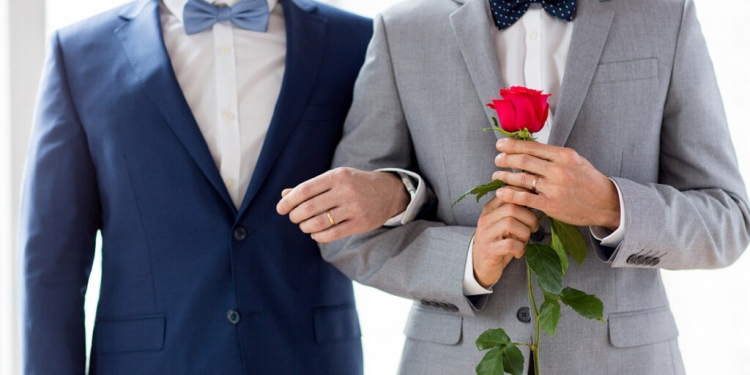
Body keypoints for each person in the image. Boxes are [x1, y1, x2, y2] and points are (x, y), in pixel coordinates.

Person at [277, 0, 750, 374]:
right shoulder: (403, 29)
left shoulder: (665, 15)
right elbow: (349, 233)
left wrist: (611, 204)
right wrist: (465, 261)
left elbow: (728, 218)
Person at [17, 0, 403, 373]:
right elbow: (53, 263)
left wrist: (395, 194)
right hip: (150, 363)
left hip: (307, 357)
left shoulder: (354, 40)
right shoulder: (79, 53)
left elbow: (406, 184)